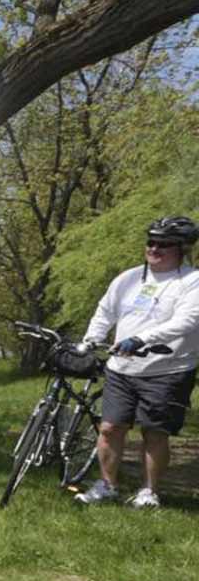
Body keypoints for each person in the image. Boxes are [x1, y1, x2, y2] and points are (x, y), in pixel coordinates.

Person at [74, 216, 199, 508]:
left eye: (164, 244)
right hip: (121, 368)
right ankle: (107, 486)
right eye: (151, 242)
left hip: (167, 369)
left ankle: (148, 492)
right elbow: (105, 311)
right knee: (109, 428)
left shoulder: (192, 282)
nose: (154, 248)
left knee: (154, 432)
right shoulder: (129, 278)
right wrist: (92, 339)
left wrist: (141, 339)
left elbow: (186, 322)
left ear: (182, 249)